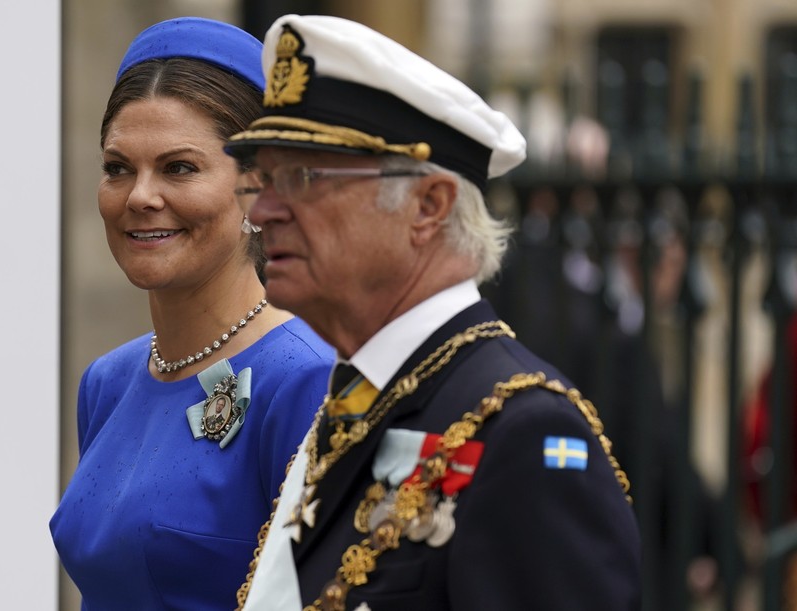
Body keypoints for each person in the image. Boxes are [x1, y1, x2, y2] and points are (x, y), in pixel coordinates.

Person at [224, 14, 642, 610]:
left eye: (300, 177)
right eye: (262, 179)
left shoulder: (523, 436)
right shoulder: (360, 399)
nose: (263, 210)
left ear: (428, 206)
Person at [49, 17, 333, 611]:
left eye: (179, 167)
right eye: (118, 167)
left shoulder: (306, 380)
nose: (139, 196)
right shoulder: (108, 381)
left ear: (258, 185)